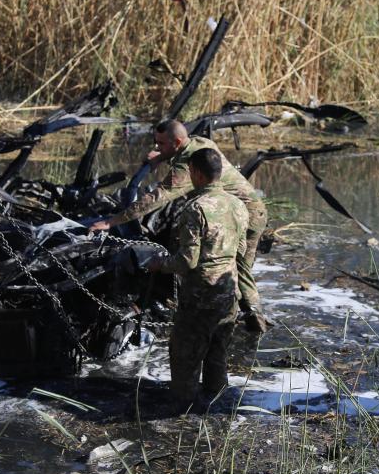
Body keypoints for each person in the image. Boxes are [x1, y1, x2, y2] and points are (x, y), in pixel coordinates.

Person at [89, 119, 270, 333]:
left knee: (234, 267)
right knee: (236, 268)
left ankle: (245, 323)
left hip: (242, 215)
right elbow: (181, 156)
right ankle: (244, 322)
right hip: (238, 211)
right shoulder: (199, 142)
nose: (157, 148)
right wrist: (163, 156)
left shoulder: (187, 166)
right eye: (155, 144)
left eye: (161, 144)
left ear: (176, 142)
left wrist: (111, 221)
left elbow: (155, 198)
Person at [145, 148, 248, 410]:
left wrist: (159, 265)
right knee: (218, 351)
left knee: (185, 354)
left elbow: (187, 261)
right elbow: (242, 250)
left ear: (197, 174)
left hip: (199, 296)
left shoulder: (196, 208)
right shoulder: (238, 204)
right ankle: (217, 403)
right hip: (228, 292)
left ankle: (182, 407)